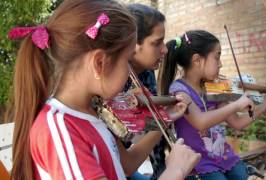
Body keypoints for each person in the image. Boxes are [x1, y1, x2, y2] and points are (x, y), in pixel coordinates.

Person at [8, 1, 200, 179]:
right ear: (99, 63)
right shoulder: (60, 130)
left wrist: (163, 119)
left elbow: (125, 165)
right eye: (127, 60)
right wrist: (175, 171)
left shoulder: (91, 110)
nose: (129, 71)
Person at [159, 30, 266, 180]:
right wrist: (236, 105)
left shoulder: (213, 88)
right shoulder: (179, 91)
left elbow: (238, 122)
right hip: (197, 161)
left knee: (241, 175)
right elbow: (200, 122)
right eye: (217, 57)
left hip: (222, 156)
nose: (221, 64)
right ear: (197, 60)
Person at [124, 4, 169, 179]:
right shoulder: (112, 83)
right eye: (157, 43)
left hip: (125, 162)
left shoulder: (147, 70)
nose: (165, 49)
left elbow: (150, 119)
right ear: (133, 45)